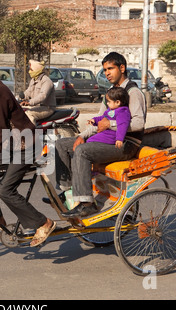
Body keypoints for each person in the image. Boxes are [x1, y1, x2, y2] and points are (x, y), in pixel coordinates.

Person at [0, 61, 56, 247]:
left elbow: (0, 127)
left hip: (26, 146)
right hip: (11, 145)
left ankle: (44, 223)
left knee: (5, 190)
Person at [53, 52, 146, 218]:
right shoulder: (111, 94)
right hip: (106, 140)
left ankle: (86, 203)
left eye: (111, 68)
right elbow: (100, 122)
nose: (107, 73)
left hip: (124, 145)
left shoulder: (132, 92)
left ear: (122, 68)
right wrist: (82, 136)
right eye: (104, 70)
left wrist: (111, 124)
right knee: (62, 144)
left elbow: (139, 123)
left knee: (82, 151)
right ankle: (68, 193)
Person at [20, 59, 56, 125]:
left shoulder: (46, 81)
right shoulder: (33, 80)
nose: (29, 71)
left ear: (36, 70)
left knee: (29, 114)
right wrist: (17, 97)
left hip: (47, 108)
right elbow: (28, 92)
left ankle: (32, 134)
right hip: (36, 106)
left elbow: (43, 96)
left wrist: (29, 102)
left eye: (31, 69)